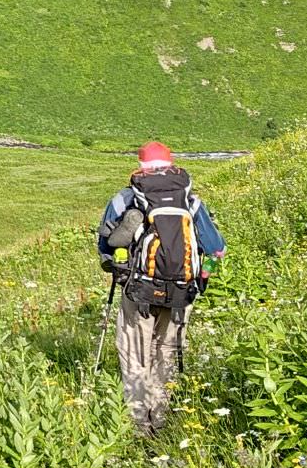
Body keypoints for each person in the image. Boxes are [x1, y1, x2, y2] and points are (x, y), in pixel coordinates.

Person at [96, 141, 226, 435]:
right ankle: (162, 419)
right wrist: (202, 275)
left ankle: (139, 424)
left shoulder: (128, 197)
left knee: (134, 353)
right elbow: (216, 248)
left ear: (140, 165)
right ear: (171, 164)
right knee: (165, 351)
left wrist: (115, 264)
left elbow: (105, 244)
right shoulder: (190, 201)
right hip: (181, 291)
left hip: (138, 288)